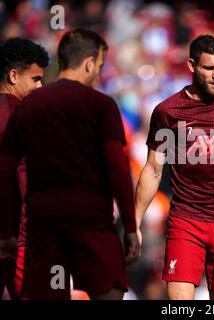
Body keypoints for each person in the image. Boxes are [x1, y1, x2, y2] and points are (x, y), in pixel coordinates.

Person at [0, 29, 139, 300]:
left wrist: (5, 231)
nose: (98, 73)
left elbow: (6, 169)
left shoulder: (27, 107)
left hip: (43, 223)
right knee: (109, 290)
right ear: (89, 63)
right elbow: (117, 167)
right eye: (99, 66)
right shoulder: (101, 104)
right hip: (87, 218)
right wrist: (131, 227)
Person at [135, 34, 214, 300]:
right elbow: (153, 169)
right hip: (186, 219)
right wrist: (134, 223)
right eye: (209, 68)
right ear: (192, 66)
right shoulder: (168, 111)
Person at [0, 37, 48, 300]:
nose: (41, 87)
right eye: (36, 79)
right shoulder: (23, 116)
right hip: (15, 238)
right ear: (14, 76)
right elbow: (23, 179)